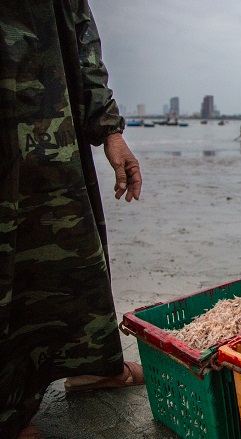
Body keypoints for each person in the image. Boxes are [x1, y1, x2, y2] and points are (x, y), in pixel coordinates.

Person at [0, 2, 145, 438]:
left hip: (51, 104)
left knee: (72, 233)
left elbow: (81, 28)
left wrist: (109, 128)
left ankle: (89, 361)